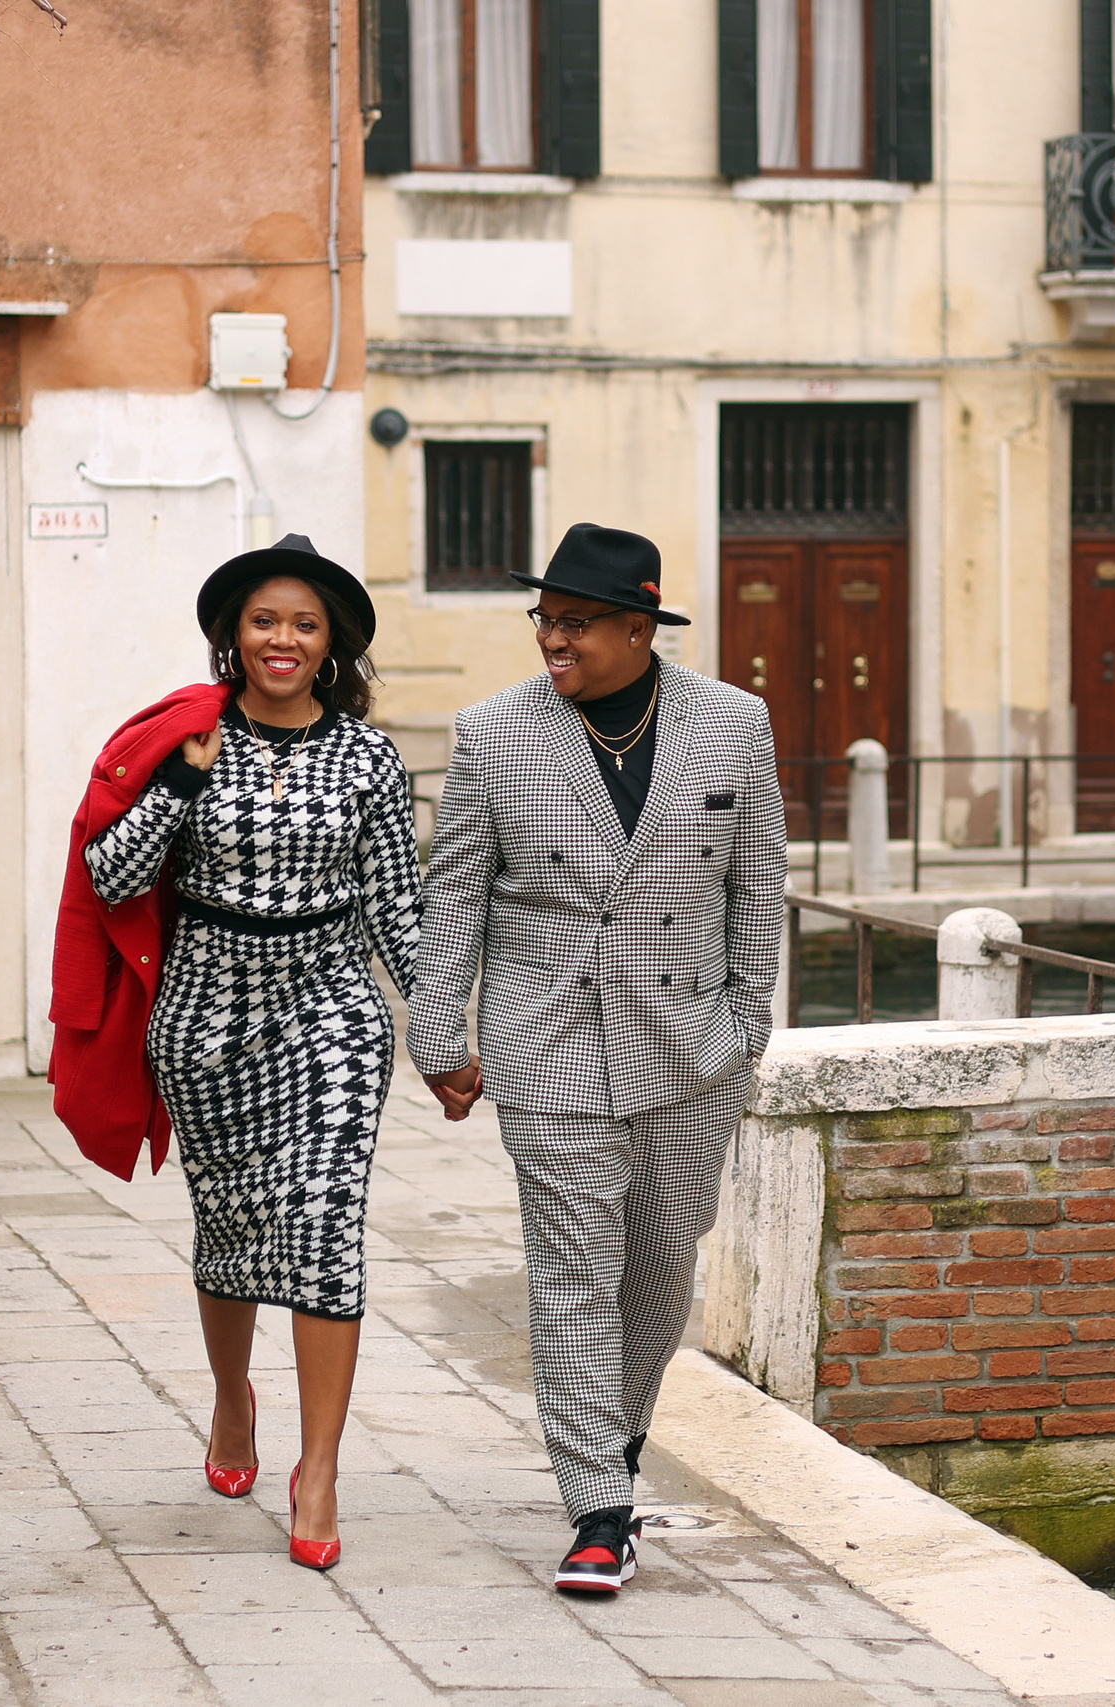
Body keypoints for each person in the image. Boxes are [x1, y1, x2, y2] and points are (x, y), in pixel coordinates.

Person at [407, 522, 788, 1595]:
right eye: (545, 618)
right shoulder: (491, 736)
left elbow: (757, 888)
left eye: (575, 623)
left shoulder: (733, 724)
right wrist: (438, 1033)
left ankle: (612, 1445)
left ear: (637, 627)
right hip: (549, 1042)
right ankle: (597, 1507)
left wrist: (748, 1027)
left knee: (662, 1266)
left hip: (689, 1048)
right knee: (575, 1273)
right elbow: (457, 897)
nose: (552, 639)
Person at [51, 534, 419, 1573]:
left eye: (305, 623)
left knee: (324, 1225)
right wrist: (177, 784)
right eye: (265, 621)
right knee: (232, 1232)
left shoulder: (368, 759)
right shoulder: (188, 740)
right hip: (208, 1017)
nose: (284, 639)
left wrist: (442, 1030)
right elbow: (111, 877)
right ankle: (230, 1400)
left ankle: (319, 1469)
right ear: (234, 636)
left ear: (332, 642)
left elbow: (397, 907)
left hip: (331, 1010)